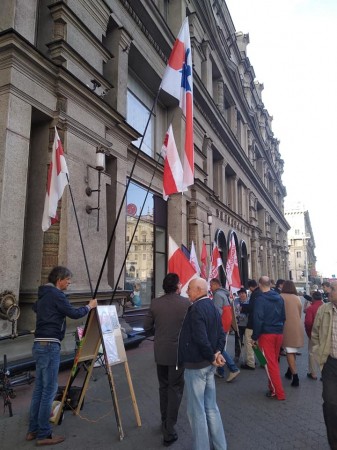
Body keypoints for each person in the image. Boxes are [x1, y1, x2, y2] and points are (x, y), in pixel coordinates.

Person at [26, 266, 97, 446]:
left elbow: (39, 309)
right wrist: (90, 306)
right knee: (49, 390)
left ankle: (33, 430)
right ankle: (44, 434)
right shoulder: (56, 295)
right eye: (68, 280)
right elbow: (74, 313)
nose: (69, 282)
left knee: (39, 389)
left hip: (39, 344)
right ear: (59, 280)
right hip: (50, 345)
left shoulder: (43, 295)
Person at [179, 277, 227, 450]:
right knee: (211, 408)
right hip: (208, 365)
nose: (187, 291)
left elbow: (200, 338)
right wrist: (217, 353)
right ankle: (220, 446)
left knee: (196, 411)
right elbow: (221, 333)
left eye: (190, 288)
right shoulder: (212, 307)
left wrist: (212, 355)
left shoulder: (196, 309)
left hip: (197, 365)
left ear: (199, 290)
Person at [143, 273, 190, 446]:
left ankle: (164, 421)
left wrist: (160, 331)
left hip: (161, 352)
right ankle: (169, 429)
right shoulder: (186, 303)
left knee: (163, 387)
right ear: (177, 286)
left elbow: (146, 326)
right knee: (175, 389)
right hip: (177, 354)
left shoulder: (155, 303)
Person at [311, 280, 337, 449]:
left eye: (333, 289)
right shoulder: (324, 310)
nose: (329, 291)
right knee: (330, 404)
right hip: (330, 364)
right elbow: (315, 334)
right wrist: (319, 352)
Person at [252, 276, 286, 400]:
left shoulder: (260, 299)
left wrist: (254, 336)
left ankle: (278, 392)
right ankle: (272, 387)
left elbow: (258, 319)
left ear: (260, 284)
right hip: (278, 332)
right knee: (273, 362)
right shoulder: (279, 297)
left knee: (269, 363)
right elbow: (283, 317)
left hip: (266, 334)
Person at [209, 278, 240, 383]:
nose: (210, 287)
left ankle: (233, 368)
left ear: (216, 285)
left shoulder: (217, 295)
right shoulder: (224, 294)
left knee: (219, 348)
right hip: (225, 324)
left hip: (220, 325)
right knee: (219, 347)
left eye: (211, 285)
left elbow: (217, 313)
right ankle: (221, 371)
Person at [281, 280, 304, 387]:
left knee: (289, 351)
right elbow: (299, 313)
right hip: (297, 327)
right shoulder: (297, 298)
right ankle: (289, 371)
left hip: (286, 327)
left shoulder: (281, 296)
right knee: (292, 350)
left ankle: (295, 376)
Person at [240, 279, 260, 370]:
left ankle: (250, 363)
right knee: (256, 343)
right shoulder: (262, 292)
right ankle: (262, 361)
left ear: (251, 287)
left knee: (249, 342)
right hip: (260, 322)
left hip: (252, 322)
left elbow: (252, 307)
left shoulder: (255, 294)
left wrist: (242, 307)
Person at [304, 291, 323, 380]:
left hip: (314, 333)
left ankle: (313, 373)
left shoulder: (310, 308)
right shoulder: (325, 307)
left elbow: (308, 323)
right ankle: (324, 374)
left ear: (313, 298)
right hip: (325, 334)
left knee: (312, 353)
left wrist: (309, 333)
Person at [234, 288, 249, 361]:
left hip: (249, 325)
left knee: (252, 342)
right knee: (238, 341)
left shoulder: (250, 301)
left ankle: (260, 359)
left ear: (246, 294)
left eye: (243, 293)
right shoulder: (236, 301)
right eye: (240, 294)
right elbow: (234, 311)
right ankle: (237, 355)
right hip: (239, 324)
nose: (242, 295)